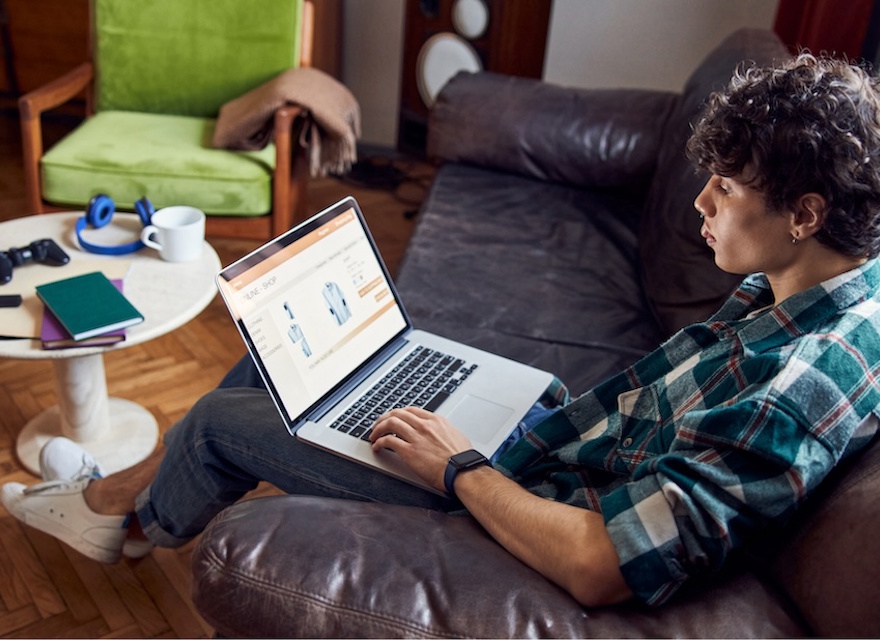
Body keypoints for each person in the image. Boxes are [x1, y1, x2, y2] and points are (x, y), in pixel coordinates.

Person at [5, 52, 880, 608]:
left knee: (218, 421)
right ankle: (137, 497)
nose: (701, 203)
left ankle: (113, 516)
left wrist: (456, 464)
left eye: (725, 192)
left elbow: (600, 563)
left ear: (805, 212)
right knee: (281, 364)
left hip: (525, 500)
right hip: (554, 433)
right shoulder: (829, 285)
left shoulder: (792, 392)